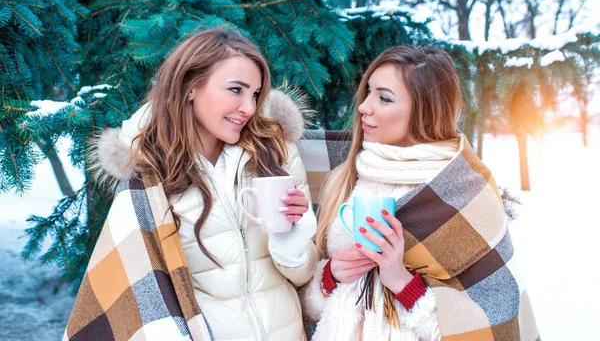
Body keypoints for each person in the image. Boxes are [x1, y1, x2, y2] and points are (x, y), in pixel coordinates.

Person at [64, 28, 317, 340]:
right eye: (236, 90)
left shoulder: (275, 153)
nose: (249, 109)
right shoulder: (149, 176)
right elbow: (138, 293)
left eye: (254, 94)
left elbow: (303, 275)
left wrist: (290, 238)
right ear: (190, 87)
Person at [301, 45, 539, 340]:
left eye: (384, 98)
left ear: (424, 113)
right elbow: (310, 305)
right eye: (369, 92)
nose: (364, 106)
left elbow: (487, 320)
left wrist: (400, 280)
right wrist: (330, 276)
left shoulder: (460, 190)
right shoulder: (345, 176)